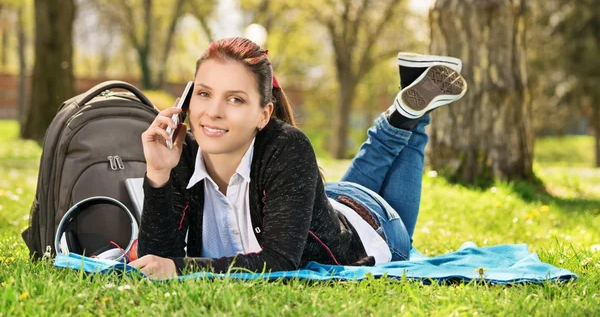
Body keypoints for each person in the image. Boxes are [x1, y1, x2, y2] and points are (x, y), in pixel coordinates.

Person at [129, 38, 467, 279]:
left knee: (408, 148)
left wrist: (180, 268)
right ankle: (410, 104)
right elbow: (155, 259)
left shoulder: (287, 146)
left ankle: (414, 117)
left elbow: (280, 260)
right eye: (204, 94)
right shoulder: (180, 151)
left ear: (264, 114)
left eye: (234, 100)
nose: (212, 112)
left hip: (375, 227)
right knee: (348, 188)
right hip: (328, 202)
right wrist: (158, 174)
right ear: (187, 99)